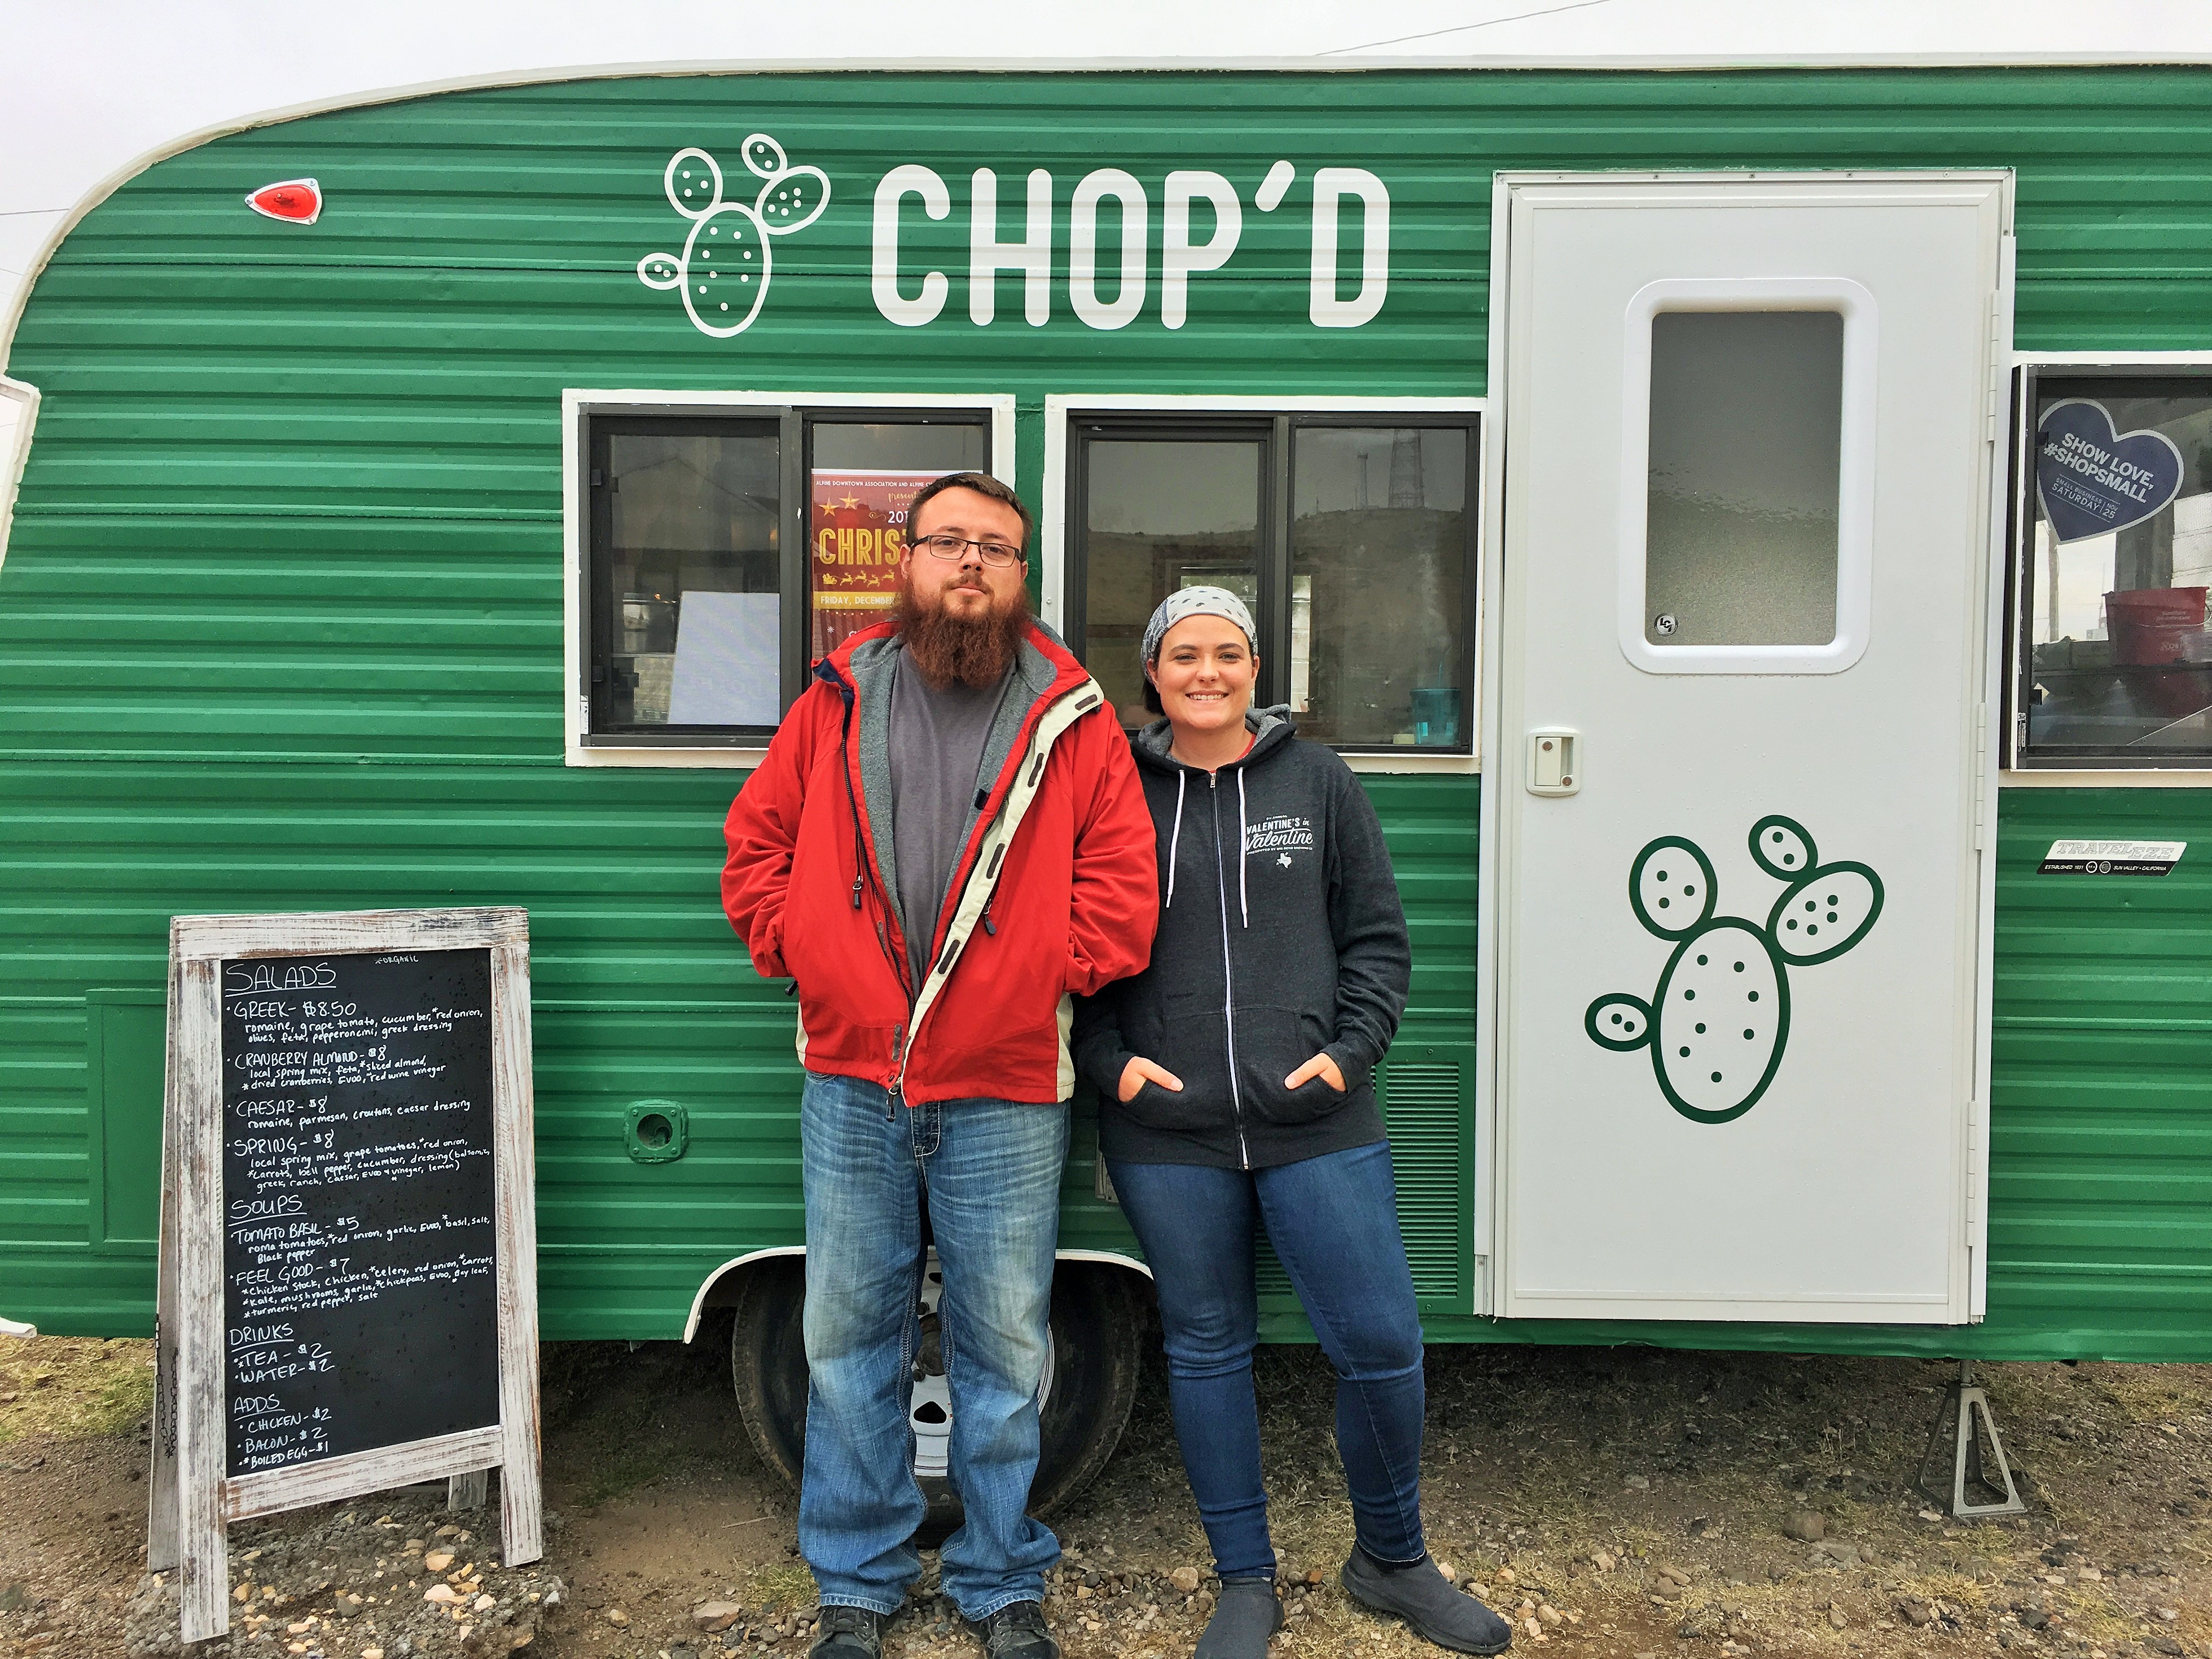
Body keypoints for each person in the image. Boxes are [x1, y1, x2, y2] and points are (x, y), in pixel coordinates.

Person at [722, 472, 1159, 1659]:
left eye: (998, 550)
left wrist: (1029, 979)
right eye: (950, 542)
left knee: (1007, 1347)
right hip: (853, 1081)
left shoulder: (1072, 714)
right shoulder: (836, 698)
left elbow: (1122, 896)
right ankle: (857, 1588)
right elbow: (756, 845)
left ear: (1022, 578)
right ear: (906, 562)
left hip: (1008, 1090)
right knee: (848, 1339)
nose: (973, 564)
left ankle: (999, 1578)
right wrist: (804, 949)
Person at [1072, 588, 1515, 1658]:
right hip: (1167, 1131)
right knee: (1209, 1348)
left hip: (1318, 1118)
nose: (1208, 673)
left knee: (1379, 1341)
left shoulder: (1319, 782)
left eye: (1228, 654)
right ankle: (1244, 1582)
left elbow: (1378, 942)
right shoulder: (1115, 791)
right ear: (1153, 673)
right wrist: (1114, 1068)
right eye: (1185, 655)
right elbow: (1073, 952)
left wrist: (1346, 1056)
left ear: (1257, 670)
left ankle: (1393, 1559)